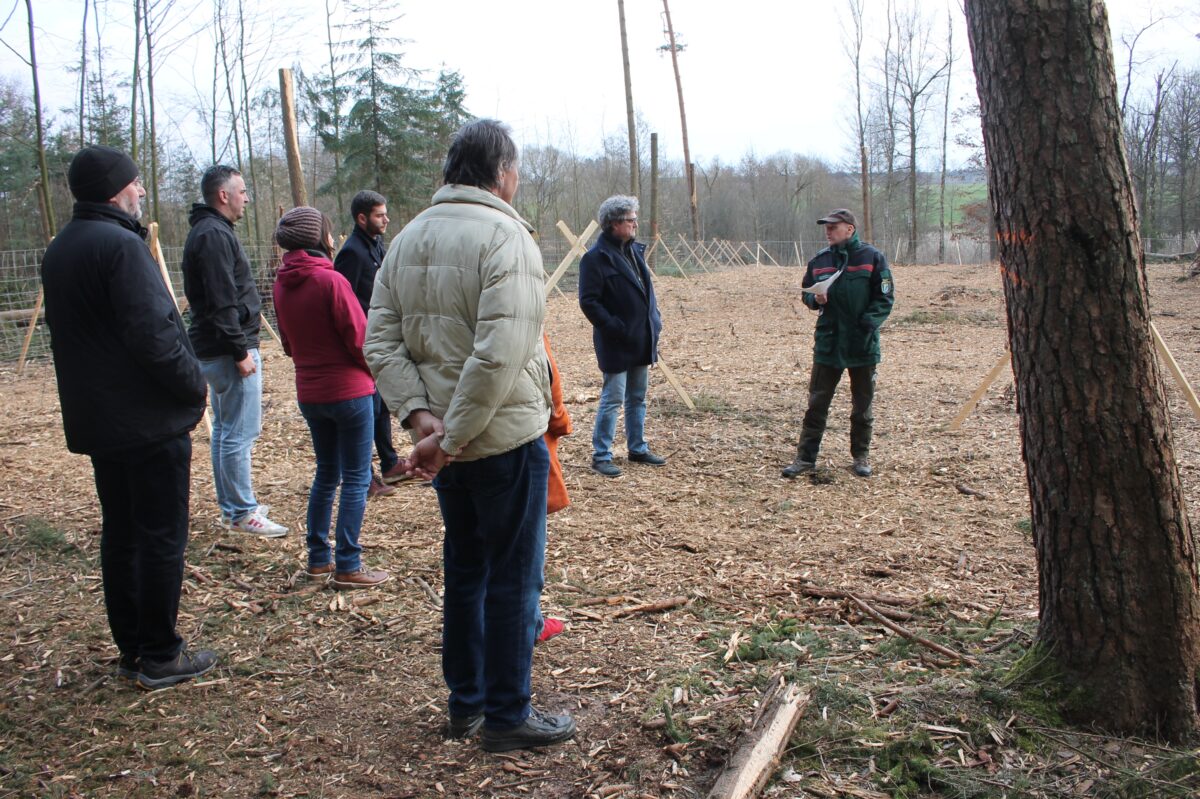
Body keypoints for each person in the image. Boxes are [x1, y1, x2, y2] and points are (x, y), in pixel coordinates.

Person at [365, 118, 576, 753]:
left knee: (466, 569)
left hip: (449, 444)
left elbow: (382, 341)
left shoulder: (407, 238)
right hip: (501, 440)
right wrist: (445, 436)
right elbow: (500, 354)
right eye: (517, 171)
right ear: (503, 173)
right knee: (512, 576)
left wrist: (420, 419)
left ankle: (468, 705)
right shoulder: (508, 238)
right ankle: (507, 715)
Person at [42, 145, 217, 690]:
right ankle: (161, 653)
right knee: (161, 536)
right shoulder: (120, 246)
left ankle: (133, 649)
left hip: (102, 422)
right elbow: (154, 335)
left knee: (121, 534)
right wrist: (194, 385)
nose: (142, 190)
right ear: (118, 189)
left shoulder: (61, 248)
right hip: (147, 421)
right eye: (137, 182)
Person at [272, 207, 391, 590]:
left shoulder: (280, 284)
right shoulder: (331, 281)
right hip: (349, 393)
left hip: (310, 393)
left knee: (326, 474)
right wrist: (375, 372)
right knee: (356, 478)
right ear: (319, 237)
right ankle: (348, 565)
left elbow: (288, 344)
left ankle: (318, 560)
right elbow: (360, 340)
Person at [182, 165, 287, 536]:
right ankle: (242, 512)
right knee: (238, 433)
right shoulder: (213, 235)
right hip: (227, 350)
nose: (247, 198)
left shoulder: (210, 231)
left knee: (227, 431)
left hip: (220, 347)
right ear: (223, 195)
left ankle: (234, 507)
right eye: (242, 191)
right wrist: (239, 350)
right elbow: (221, 299)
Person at [783, 209, 894, 479]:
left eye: (833, 227)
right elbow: (806, 293)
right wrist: (815, 299)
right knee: (816, 404)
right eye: (826, 227)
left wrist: (867, 324)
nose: (828, 231)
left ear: (850, 229)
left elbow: (885, 297)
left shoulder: (872, 258)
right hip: (829, 343)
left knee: (862, 407)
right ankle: (805, 458)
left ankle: (860, 456)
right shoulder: (819, 261)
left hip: (862, 344)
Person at [577, 195, 666, 477]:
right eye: (631, 220)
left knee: (637, 397)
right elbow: (589, 302)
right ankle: (601, 455)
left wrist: (655, 321)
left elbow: (645, 293)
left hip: (641, 338)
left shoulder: (634, 252)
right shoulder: (595, 259)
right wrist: (614, 327)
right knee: (613, 399)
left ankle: (637, 448)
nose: (635, 224)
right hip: (615, 342)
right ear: (614, 223)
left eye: (635, 219)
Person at [333, 190, 399, 498]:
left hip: (379, 338)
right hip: (361, 343)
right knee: (366, 410)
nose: (386, 219)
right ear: (362, 218)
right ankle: (364, 476)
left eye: (385, 213)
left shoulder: (376, 244)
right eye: (379, 215)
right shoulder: (351, 253)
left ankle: (390, 463)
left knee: (381, 406)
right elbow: (344, 302)